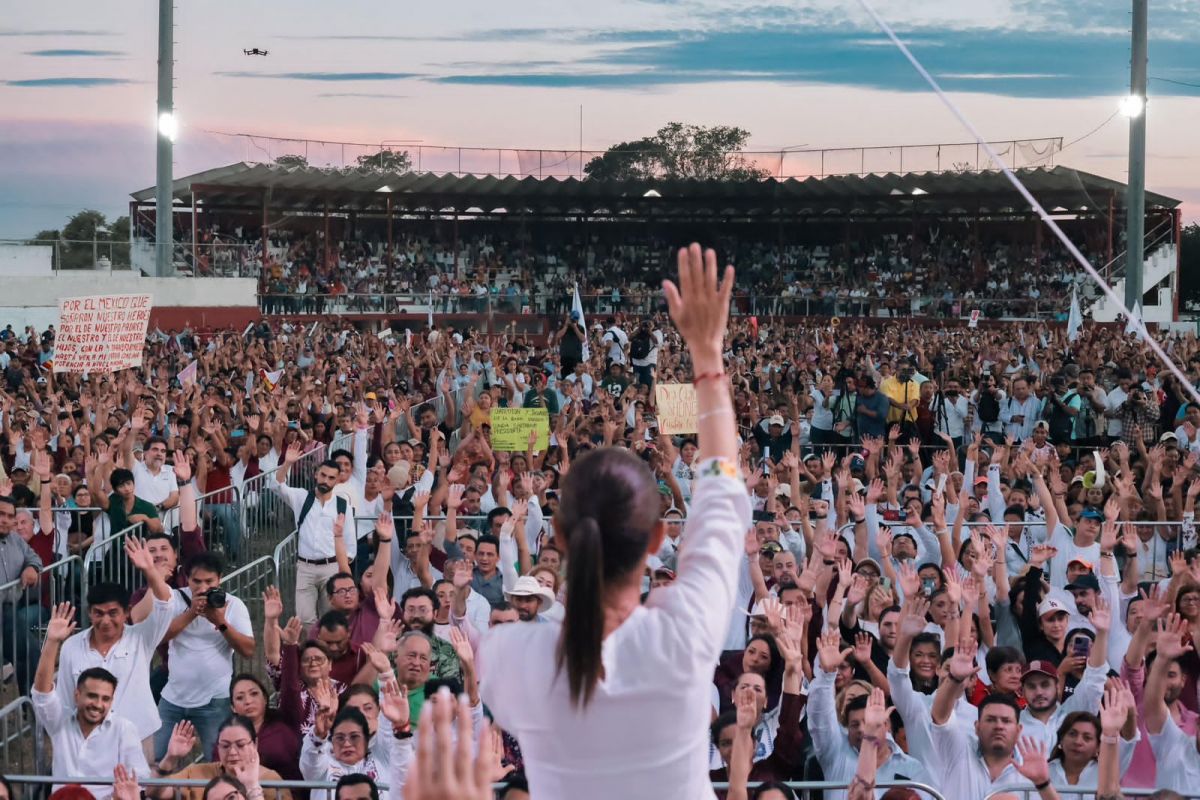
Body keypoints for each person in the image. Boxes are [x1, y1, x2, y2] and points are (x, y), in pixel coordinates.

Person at [479, 244, 748, 799]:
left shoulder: (509, 658)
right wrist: (707, 356)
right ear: (656, 539)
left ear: (556, 535)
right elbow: (721, 483)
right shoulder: (687, 629)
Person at [54, 538, 174, 757]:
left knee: (139, 792)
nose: (105, 621)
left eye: (113, 613)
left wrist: (149, 570)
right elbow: (63, 699)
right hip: (88, 741)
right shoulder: (72, 646)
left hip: (138, 736)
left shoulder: (141, 638)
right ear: (89, 613)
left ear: (126, 612)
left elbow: (165, 604)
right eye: (98, 613)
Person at [30, 603, 149, 800]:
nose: (98, 704)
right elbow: (42, 693)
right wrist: (51, 641)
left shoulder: (124, 729)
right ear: (77, 695)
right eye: (92, 696)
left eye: (105, 699)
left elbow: (139, 780)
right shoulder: (60, 721)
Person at [155, 552, 256, 761]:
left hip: (214, 701)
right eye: (196, 581)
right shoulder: (174, 599)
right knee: (155, 758)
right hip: (173, 697)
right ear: (187, 579)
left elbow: (248, 649)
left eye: (209, 581)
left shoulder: (233, 605)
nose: (202, 588)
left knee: (219, 760)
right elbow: (158, 637)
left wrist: (219, 621)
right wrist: (191, 613)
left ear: (219, 578)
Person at [272, 442, 351, 626]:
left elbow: (349, 541)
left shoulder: (342, 505)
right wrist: (287, 464)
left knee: (330, 619)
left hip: (332, 567)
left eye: (331, 478)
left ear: (337, 480)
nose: (326, 480)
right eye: (323, 475)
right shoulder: (301, 497)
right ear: (316, 474)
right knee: (305, 619)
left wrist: (344, 569)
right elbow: (277, 486)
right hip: (305, 567)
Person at [150, 716, 291, 800]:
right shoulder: (196, 772)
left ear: (255, 744)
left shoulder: (271, 780)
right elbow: (154, 792)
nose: (232, 752)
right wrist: (170, 757)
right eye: (225, 746)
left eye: (240, 745)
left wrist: (252, 787)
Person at [0, 492, 44, 693]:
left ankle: (32, 708)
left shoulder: (15, 540)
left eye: (10, 516)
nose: (6, 520)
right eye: (1, 514)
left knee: (30, 651)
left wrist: (31, 568)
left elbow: (34, 558)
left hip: (8, 611)